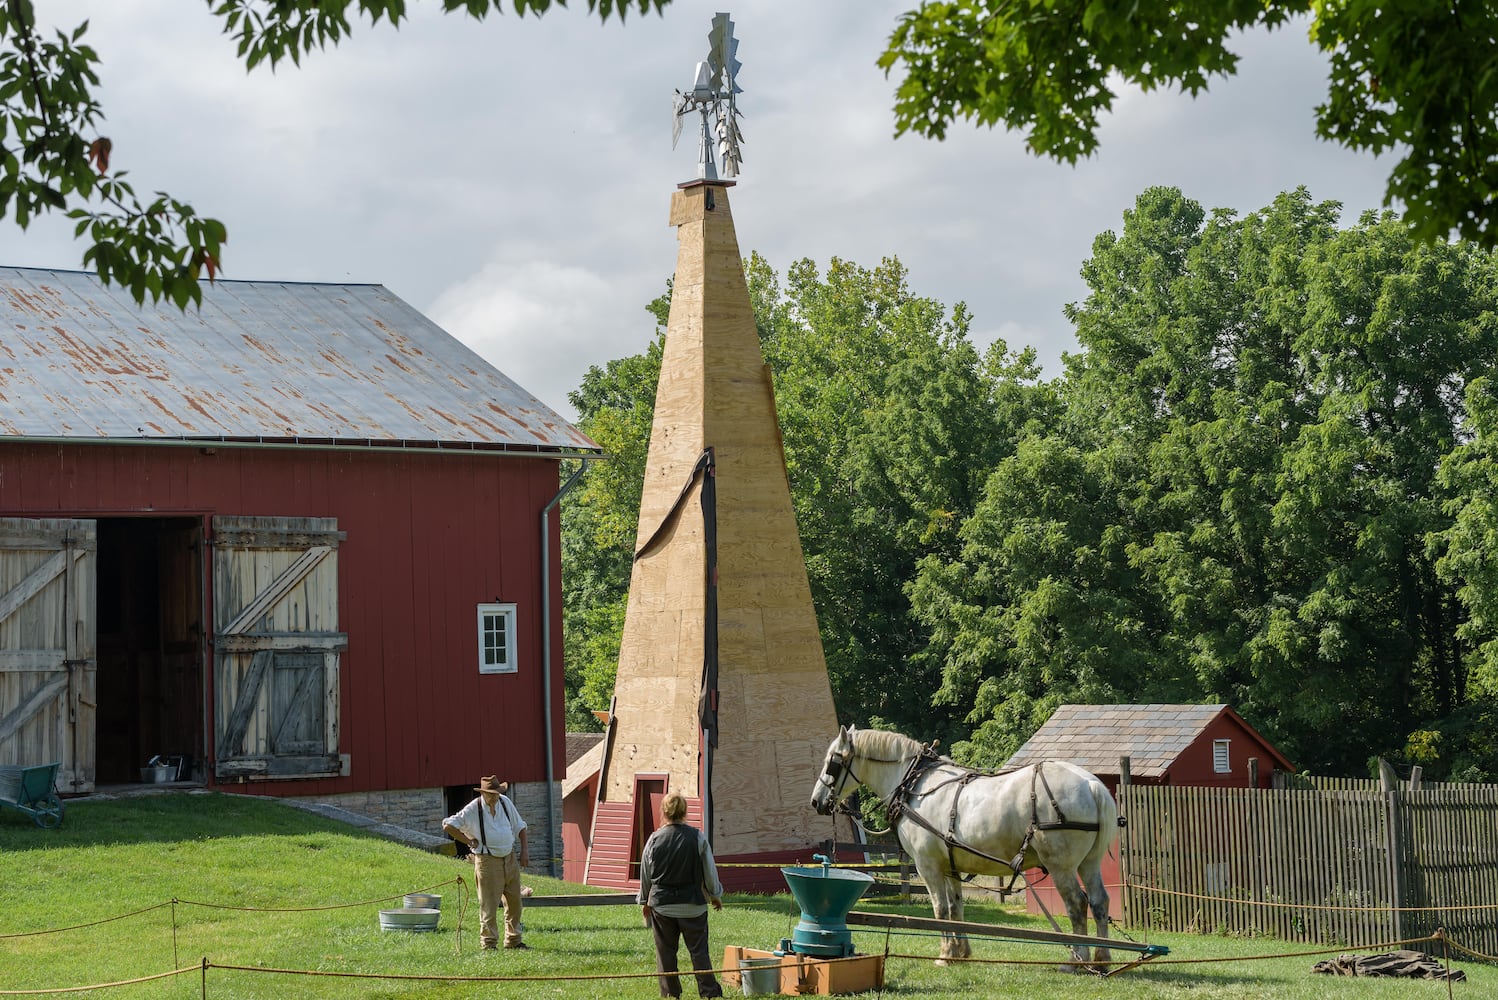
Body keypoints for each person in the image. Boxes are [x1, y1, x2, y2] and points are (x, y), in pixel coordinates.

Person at [637, 791, 725, 999]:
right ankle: (709, 993)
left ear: (663, 812)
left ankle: (670, 995)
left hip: (662, 906)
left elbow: (645, 873)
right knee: (699, 952)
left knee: (666, 954)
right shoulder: (697, 837)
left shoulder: (654, 839)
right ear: (685, 811)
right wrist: (715, 894)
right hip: (693, 905)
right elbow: (709, 871)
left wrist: (644, 901)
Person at [443, 776, 529, 950]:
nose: (495, 797)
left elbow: (520, 826)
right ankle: (489, 944)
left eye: (497, 793)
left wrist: (524, 852)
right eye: (492, 794)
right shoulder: (474, 808)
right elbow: (448, 825)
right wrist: (468, 841)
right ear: (483, 793)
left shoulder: (505, 802)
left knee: (514, 903)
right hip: (487, 861)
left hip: (509, 858)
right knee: (488, 905)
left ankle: (513, 941)